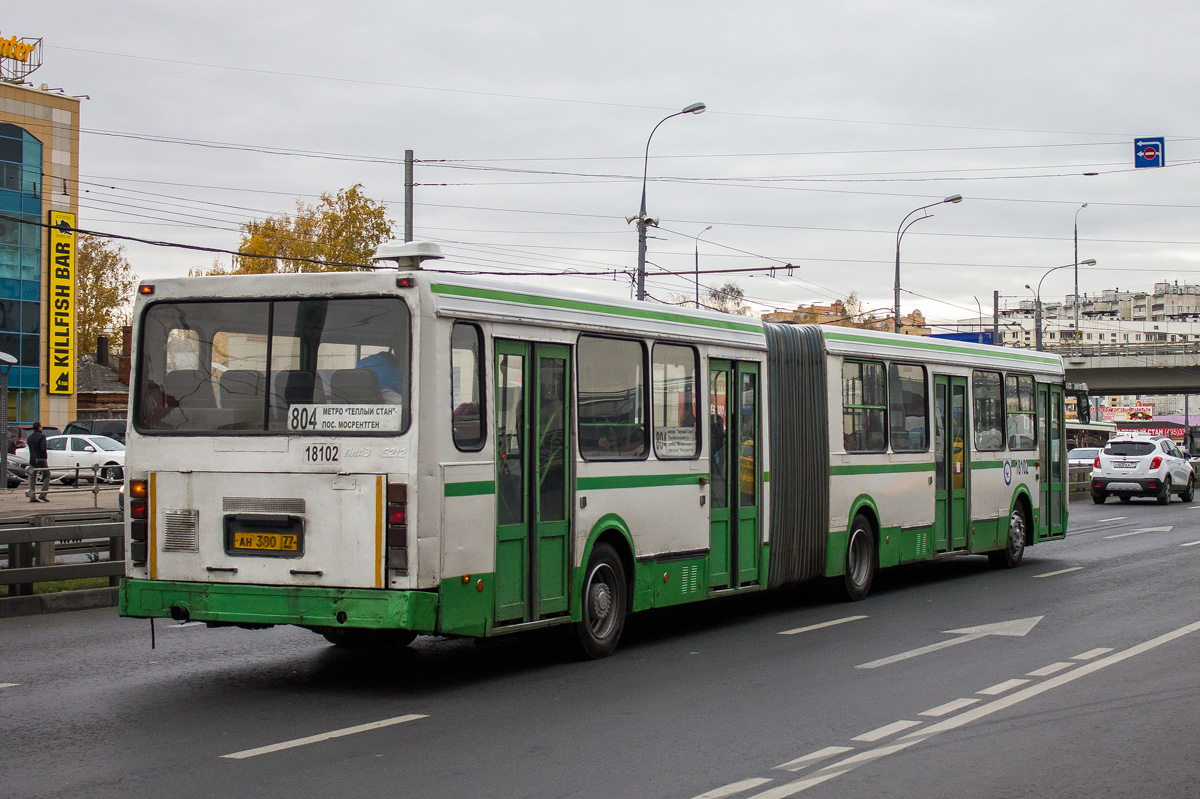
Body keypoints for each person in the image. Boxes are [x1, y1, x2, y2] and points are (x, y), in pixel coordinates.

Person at [27, 421, 49, 502]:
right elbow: (43, 448)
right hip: (41, 459)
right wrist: (44, 457)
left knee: (32, 477)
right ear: (39, 427)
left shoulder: (30, 437)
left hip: (32, 459)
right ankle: (43, 494)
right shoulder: (42, 436)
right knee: (47, 475)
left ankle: (32, 496)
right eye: (41, 426)